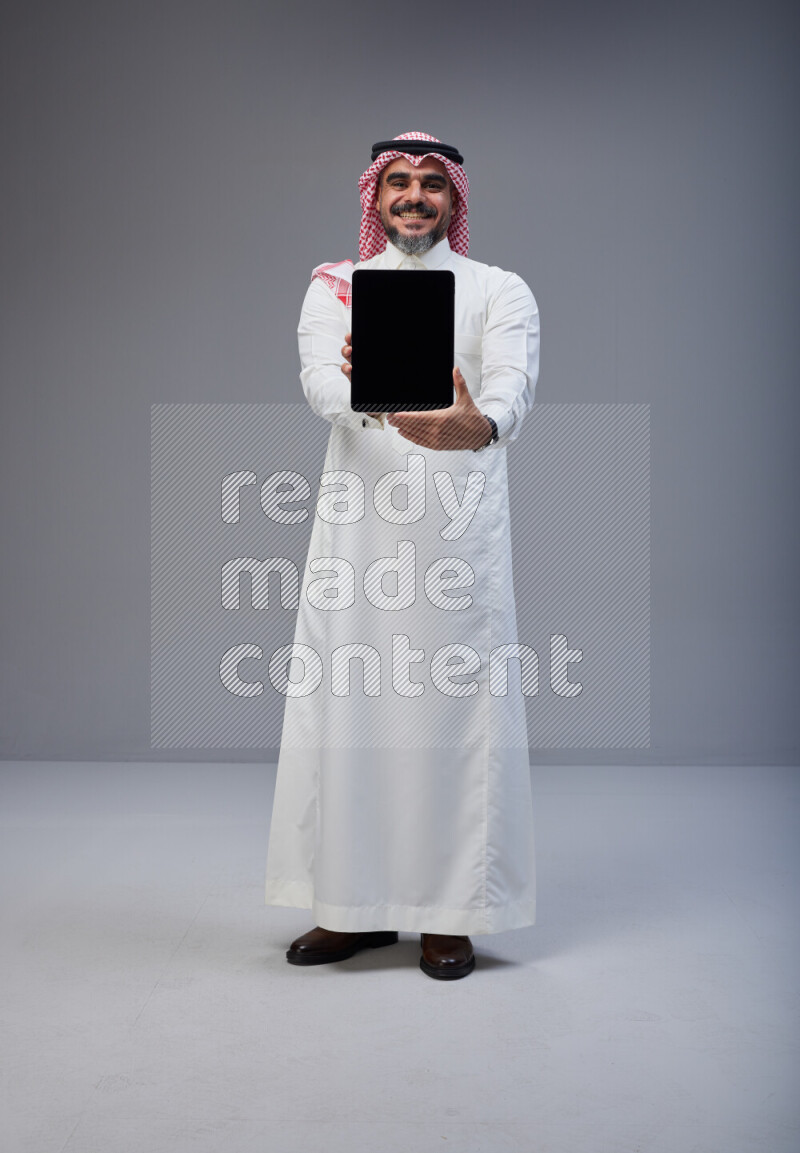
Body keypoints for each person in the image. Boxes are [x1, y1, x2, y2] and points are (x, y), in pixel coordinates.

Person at [264, 131, 540, 980]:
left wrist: (478, 426)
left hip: (455, 527)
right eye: (398, 183)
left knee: (451, 716)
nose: (415, 196)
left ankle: (448, 914)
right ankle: (351, 908)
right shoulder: (335, 287)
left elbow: (511, 388)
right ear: (374, 199)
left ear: (454, 202)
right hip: (361, 526)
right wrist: (374, 394)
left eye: (432, 185)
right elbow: (320, 383)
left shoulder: (499, 289)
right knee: (353, 710)